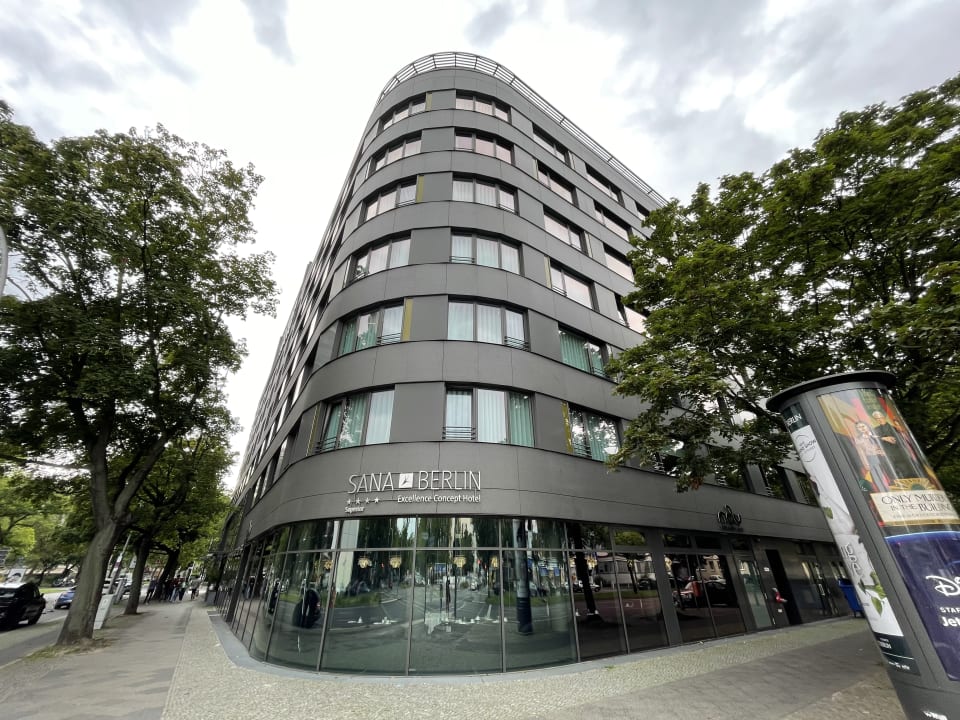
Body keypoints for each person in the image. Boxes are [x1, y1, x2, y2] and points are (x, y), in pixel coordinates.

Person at [871, 410, 916, 480]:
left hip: (900, 453)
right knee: (894, 475)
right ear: (875, 420)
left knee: (907, 472)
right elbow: (872, 437)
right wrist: (884, 438)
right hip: (887, 455)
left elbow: (903, 437)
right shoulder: (875, 429)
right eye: (877, 418)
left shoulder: (894, 427)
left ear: (884, 417)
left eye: (880, 417)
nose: (879, 419)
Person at [853, 421, 889, 491]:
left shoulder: (876, 433)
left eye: (863, 426)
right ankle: (883, 490)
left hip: (883, 457)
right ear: (857, 429)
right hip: (872, 458)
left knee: (888, 474)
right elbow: (861, 453)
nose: (862, 428)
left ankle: (888, 489)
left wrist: (883, 451)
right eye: (859, 427)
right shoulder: (858, 439)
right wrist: (866, 464)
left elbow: (885, 444)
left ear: (867, 426)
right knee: (877, 476)